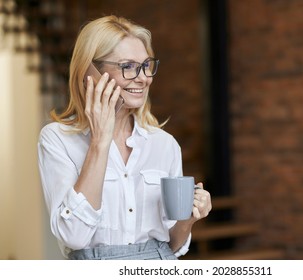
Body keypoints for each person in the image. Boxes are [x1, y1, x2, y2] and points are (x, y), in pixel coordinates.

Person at [37, 15, 212, 260]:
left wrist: (188, 220)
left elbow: (172, 245)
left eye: (146, 65)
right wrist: (100, 141)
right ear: (90, 73)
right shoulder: (57, 140)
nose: (144, 78)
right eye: (127, 66)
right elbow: (73, 236)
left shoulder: (165, 145)